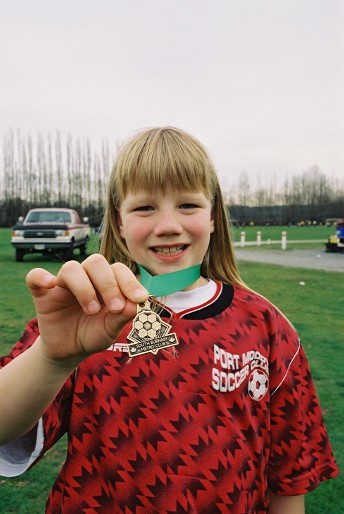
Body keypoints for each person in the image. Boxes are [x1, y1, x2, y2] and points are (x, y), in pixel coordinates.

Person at [0, 127, 339, 513]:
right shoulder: (85, 310)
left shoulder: (267, 325)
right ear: (119, 220)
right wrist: (51, 357)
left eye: (188, 205)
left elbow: (290, 477)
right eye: (145, 208)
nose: (168, 225)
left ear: (213, 216)